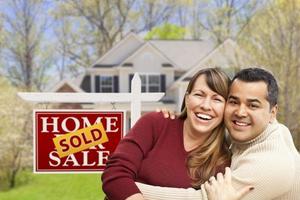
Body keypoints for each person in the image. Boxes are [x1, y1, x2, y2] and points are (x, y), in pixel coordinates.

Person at [135, 67, 300, 200]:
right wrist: (178, 120)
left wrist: (128, 188)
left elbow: (200, 198)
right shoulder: (253, 135)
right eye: (234, 102)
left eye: (253, 105)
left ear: (273, 112)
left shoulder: (272, 165)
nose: (240, 112)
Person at [101, 68, 232, 200]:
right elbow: (115, 173)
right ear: (187, 99)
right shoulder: (156, 123)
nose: (205, 105)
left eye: (217, 99)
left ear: (227, 108)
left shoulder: (224, 160)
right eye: (199, 95)